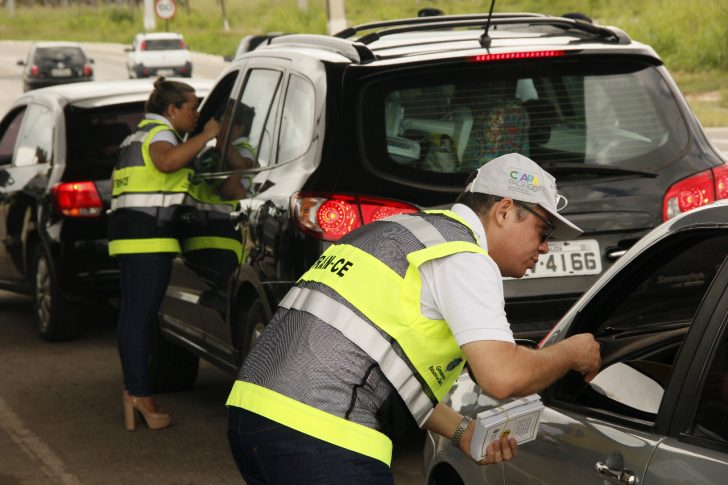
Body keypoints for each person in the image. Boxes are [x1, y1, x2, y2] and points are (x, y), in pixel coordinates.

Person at [225, 152, 602, 483]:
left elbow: (378, 361)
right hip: (323, 431)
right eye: (543, 229)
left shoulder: (398, 232)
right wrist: (572, 352)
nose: (545, 246)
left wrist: (462, 432)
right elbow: (503, 376)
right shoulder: (464, 257)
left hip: (253, 416)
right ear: (504, 211)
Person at [108, 77, 220, 431]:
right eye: (192, 106)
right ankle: (140, 395)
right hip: (148, 241)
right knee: (140, 319)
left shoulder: (136, 134)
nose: (197, 114)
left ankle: (134, 392)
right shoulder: (161, 135)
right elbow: (168, 163)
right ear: (172, 109)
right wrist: (208, 136)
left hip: (130, 238)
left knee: (132, 318)